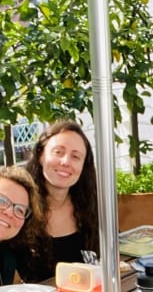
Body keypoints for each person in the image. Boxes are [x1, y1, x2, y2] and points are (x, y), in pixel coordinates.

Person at [16, 120, 99, 281]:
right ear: (40, 156)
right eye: (58, 152)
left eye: (76, 156)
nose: (66, 162)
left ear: (83, 166)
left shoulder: (92, 207)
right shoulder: (18, 207)